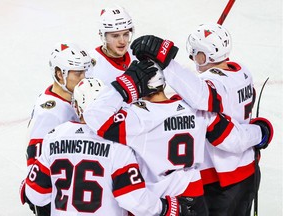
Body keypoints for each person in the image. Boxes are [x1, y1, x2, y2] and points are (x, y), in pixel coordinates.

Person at [83, 59, 272, 216]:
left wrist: (125, 85)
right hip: (195, 201)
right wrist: (261, 132)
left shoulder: (138, 118)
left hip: (159, 204)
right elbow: (232, 139)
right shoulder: (197, 110)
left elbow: (94, 116)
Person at [130, 23, 274, 216]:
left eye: (196, 53)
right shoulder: (241, 71)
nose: (192, 58)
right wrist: (261, 132)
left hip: (221, 179)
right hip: (248, 172)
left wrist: (166, 61)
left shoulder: (213, 85)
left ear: (207, 55)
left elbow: (201, 96)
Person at [20, 77, 193, 216]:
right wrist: (165, 207)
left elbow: (37, 195)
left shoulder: (54, 137)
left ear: (77, 107)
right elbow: (132, 198)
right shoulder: (118, 142)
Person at [23, 42, 92, 215]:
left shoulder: (67, 97)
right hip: (52, 196)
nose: (84, 78)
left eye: (84, 71)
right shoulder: (51, 112)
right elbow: (36, 160)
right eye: (78, 73)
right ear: (60, 74)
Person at [86, 5, 137, 84]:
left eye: (126, 34)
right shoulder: (89, 64)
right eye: (115, 36)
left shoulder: (137, 55)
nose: (122, 41)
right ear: (103, 36)